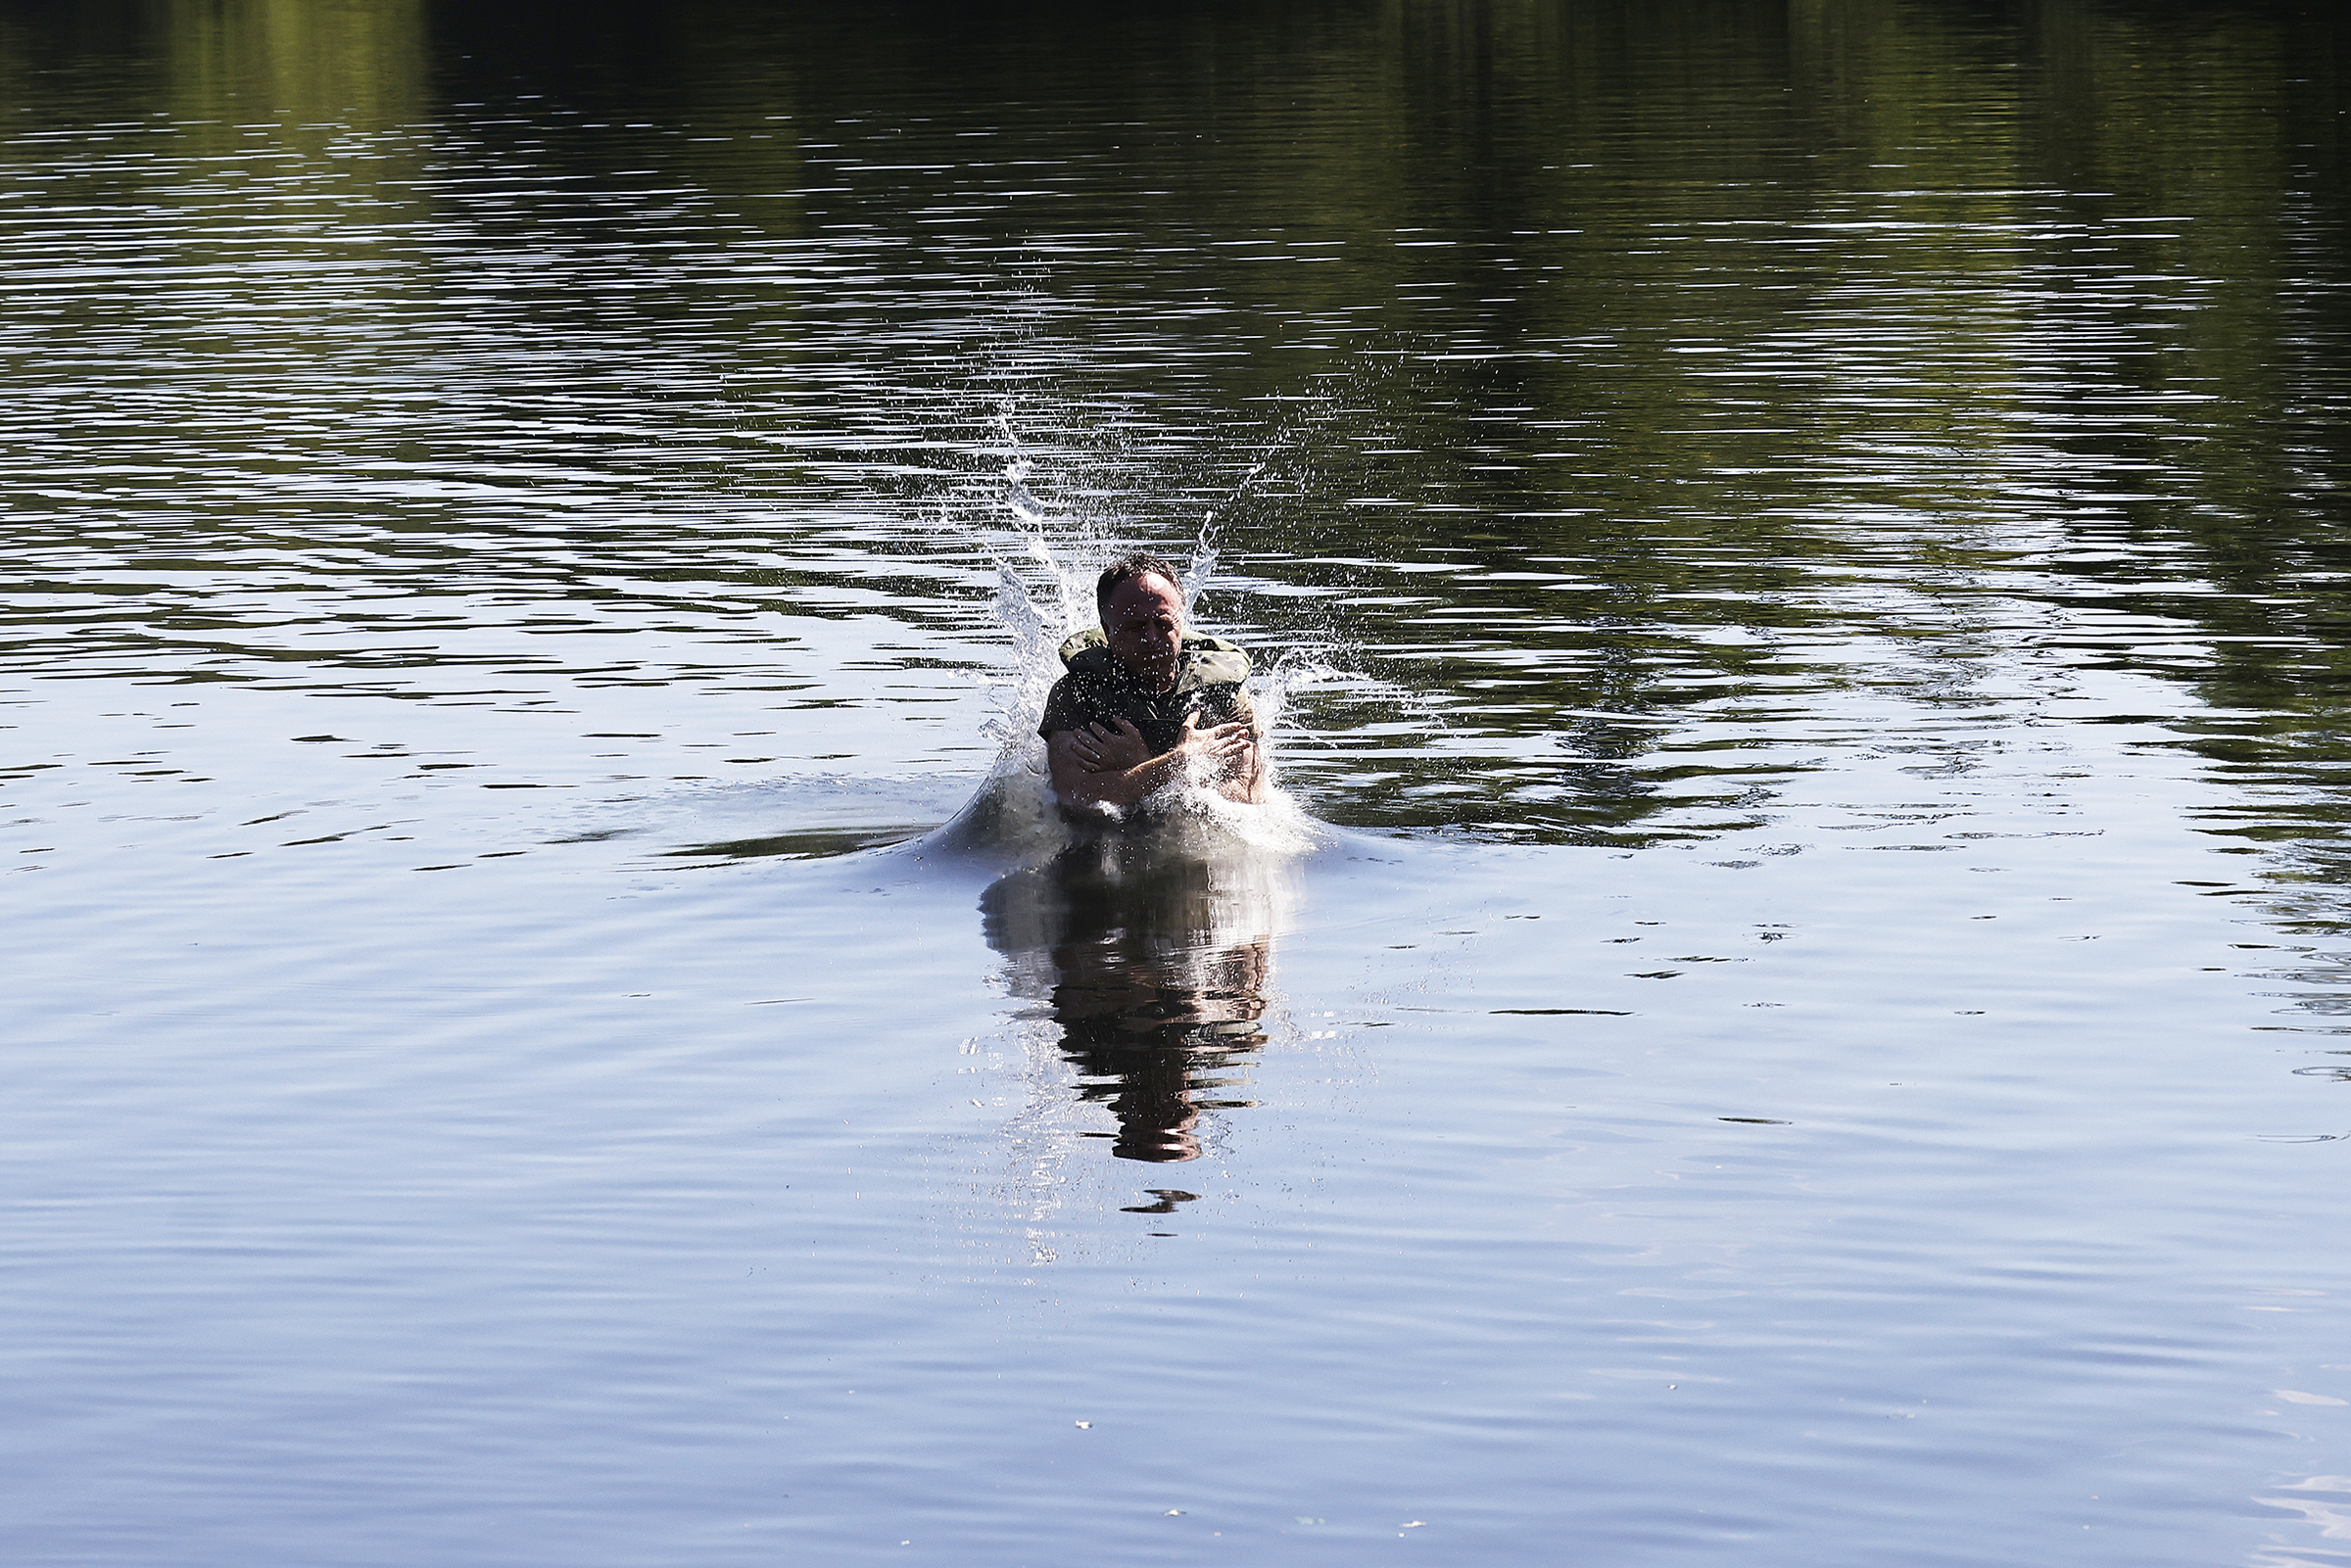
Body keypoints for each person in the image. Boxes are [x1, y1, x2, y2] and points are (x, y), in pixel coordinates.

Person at [1039, 553, 1266, 813]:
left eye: (1163, 623)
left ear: (1180, 622)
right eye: (1135, 626)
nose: (1151, 637)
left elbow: (1248, 797)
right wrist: (1178, 763)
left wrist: (1143, 766)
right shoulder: (1077, 692)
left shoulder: (1223, 691)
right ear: (1107, 628)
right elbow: (1072, 795)